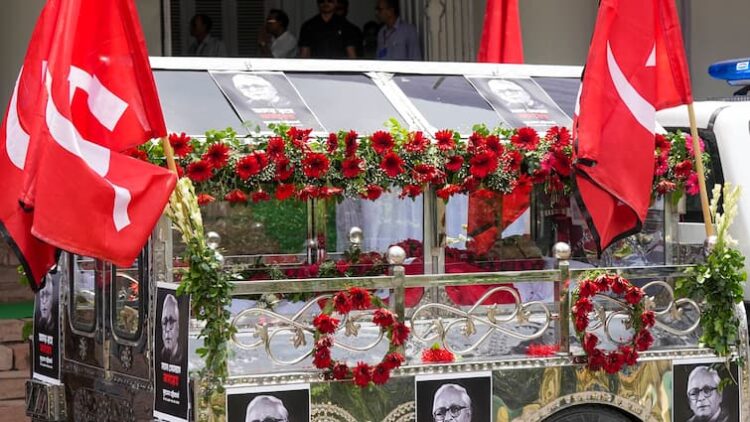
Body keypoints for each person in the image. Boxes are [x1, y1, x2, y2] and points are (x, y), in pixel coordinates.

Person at [160, 294, 182, 364]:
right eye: (164, 322)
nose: (167, 328)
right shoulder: (160, 356)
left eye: (172, 321)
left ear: (178, 327)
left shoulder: (183, 356)